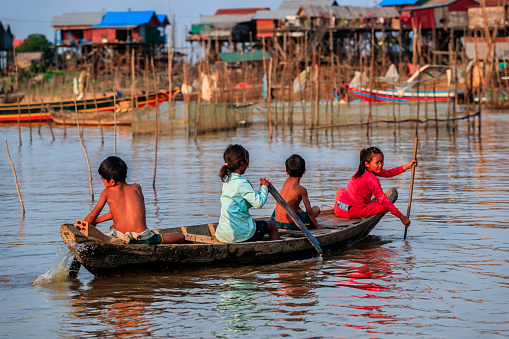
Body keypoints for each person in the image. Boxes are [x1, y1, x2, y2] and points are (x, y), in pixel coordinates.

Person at [84, 156, 184, 244]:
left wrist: (82, 229)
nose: (102, 183)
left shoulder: (106, 192)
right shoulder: (137, 188)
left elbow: (93, 215)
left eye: (102, 180)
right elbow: (121, 211)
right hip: (143, 237)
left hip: (121, 238)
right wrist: (97, 221)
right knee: (181, 236)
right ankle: (181, 238)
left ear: (112, 181)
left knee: (113, 230)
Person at [334, 147, 417, 228]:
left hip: (338, 208)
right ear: (367, 164)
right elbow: (383, 200)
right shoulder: (372, 179)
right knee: (384, 206)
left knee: (340, 191)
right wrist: (402, 217)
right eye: (377, 163)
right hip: (352, 212)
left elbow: (388, 173)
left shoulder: (362, 170)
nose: (380, 165)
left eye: (382, 161)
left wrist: (407, 166)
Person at [215, 144, 280, 243]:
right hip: (240, 233)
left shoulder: (227, 181)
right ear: (242, 163)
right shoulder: (242, 183)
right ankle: (278, 253)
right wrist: (264, 187)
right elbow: (258, 203)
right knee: (272, 225)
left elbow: (242, 203)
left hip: (222, 234)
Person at [270, 154, 324, 230]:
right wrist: (316, 226)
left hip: (275, 222)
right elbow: (310, 212)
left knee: (293, 209)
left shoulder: (286, 182)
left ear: (286, 171)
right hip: (290, 225)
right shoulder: (301, 190)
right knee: (316, 209)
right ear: (304, 171)